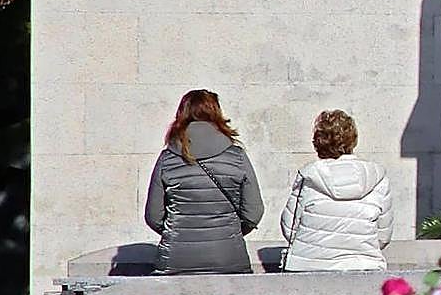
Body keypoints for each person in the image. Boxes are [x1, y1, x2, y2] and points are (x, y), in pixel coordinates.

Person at [144, 90, 265, 274]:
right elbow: (253, 213)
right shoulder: (237, 156)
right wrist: (228, 231)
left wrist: (178, 232)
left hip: (176, 258)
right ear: (217, 113)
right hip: (229, 256)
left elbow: (153, 216)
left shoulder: (167, 158)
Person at [280, 110, 392, 271]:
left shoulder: (309, 175)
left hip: (308, 266)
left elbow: (290, 229)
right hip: (364, 266)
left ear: (318, 142)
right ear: (353, 140)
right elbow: (383, 235)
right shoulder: (378, 176)